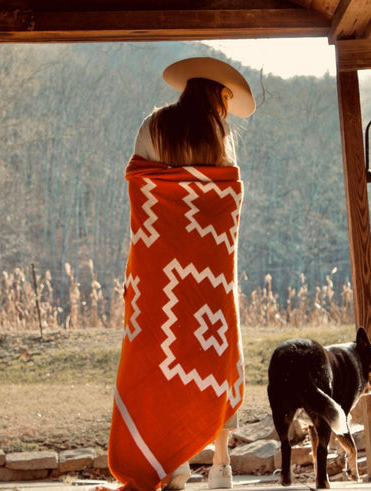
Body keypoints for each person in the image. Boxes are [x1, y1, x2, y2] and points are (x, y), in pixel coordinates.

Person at [105, 57, 255, 491]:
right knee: (216, 360)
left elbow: (142, 188)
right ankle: (221, 465)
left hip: (157, 276)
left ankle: (169, 466)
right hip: (210, 278)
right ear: (216, 96)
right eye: (225, 99)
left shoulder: (155, 126)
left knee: (156, 359)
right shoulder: (220, 138)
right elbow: (222, 206)